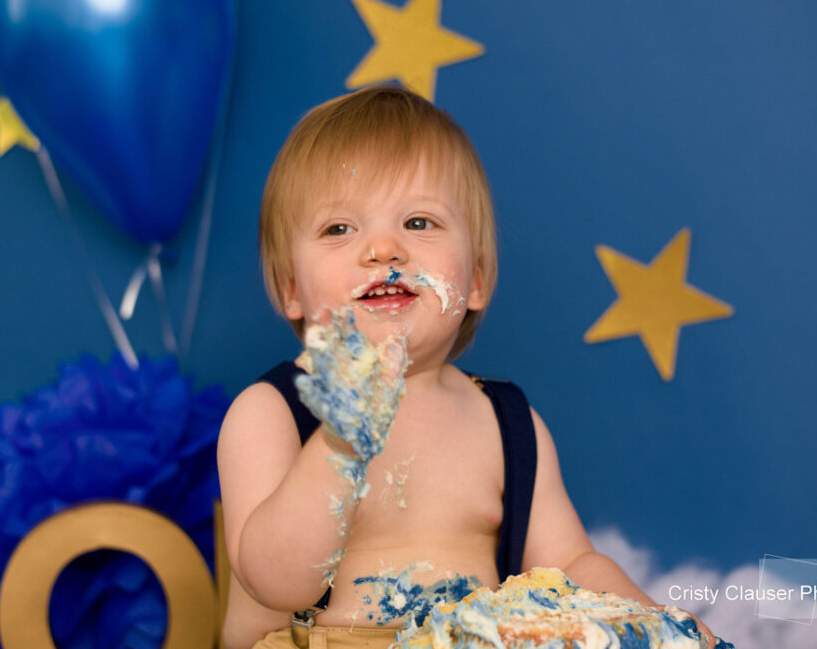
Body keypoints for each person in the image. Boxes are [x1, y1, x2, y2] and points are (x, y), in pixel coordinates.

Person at [217, 86, 716, 649]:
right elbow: (274, 583)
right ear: (292, 290)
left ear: (475, 279)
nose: (383, 249)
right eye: (340, 229)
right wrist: (338, 445)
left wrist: (658, 623)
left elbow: (573, 563)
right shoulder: (274, 413)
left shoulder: (504, 423)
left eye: (420, 223)